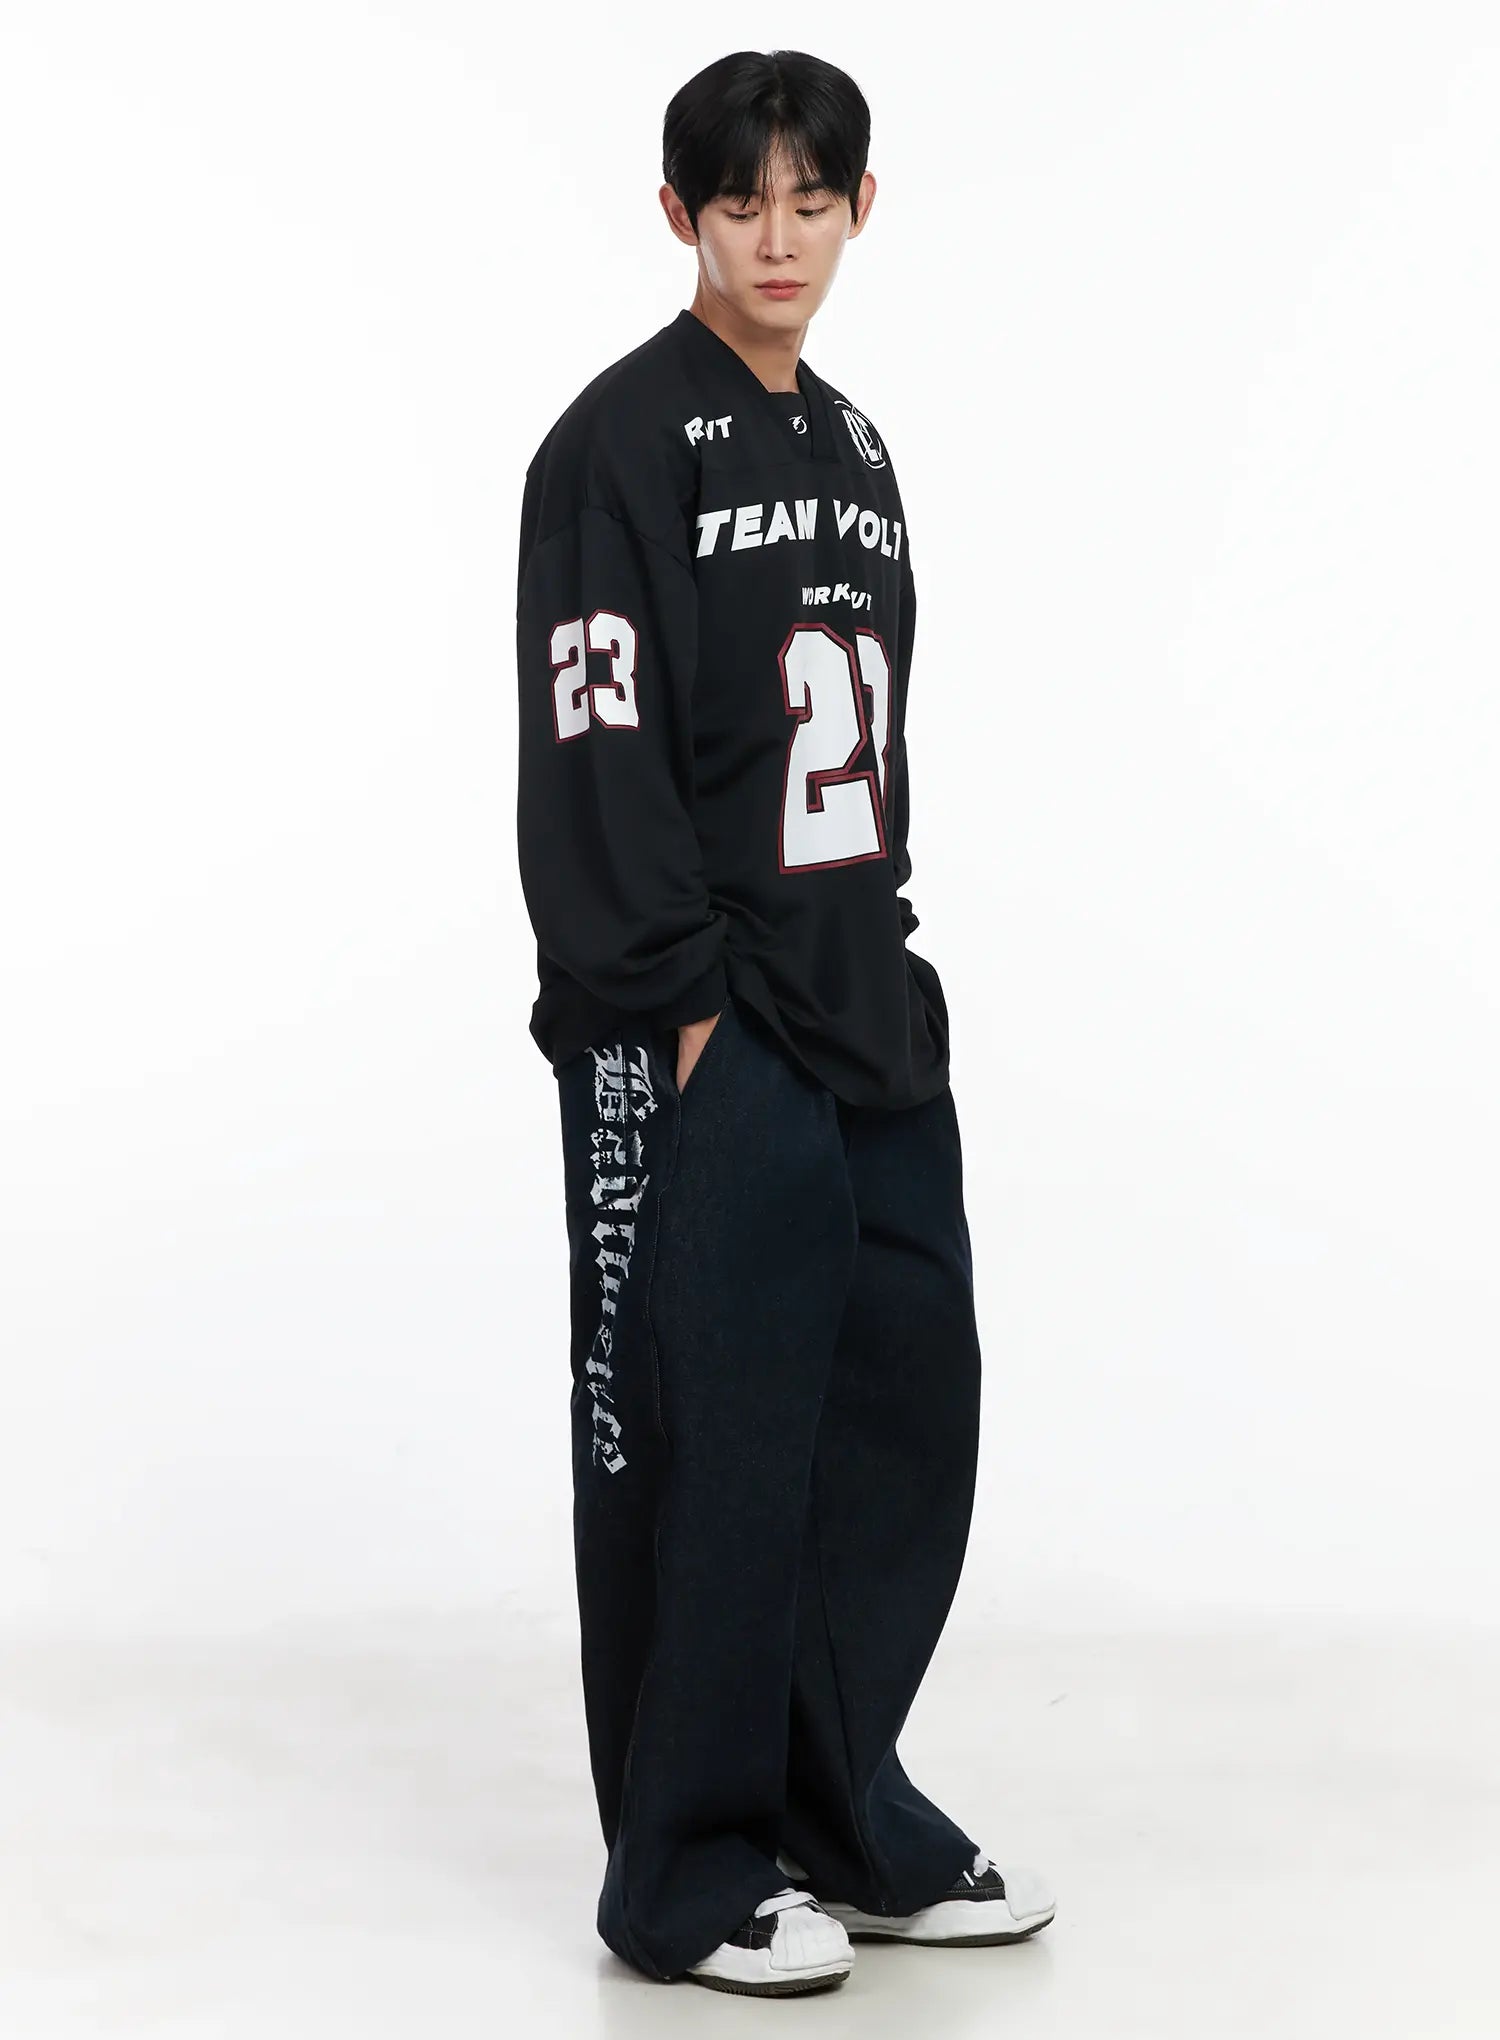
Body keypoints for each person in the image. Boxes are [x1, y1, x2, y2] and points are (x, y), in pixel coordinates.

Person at [514, 47, 1056, 1997]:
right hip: (696, 1014)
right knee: (707, 1444)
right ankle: (685, 1871)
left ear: (859, 210)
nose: (776, 239)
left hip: (860, 1003)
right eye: (738, 203)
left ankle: (845, 1816)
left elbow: (867, 738)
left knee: (900, 1406)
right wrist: (674, 1015)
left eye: (809, 202)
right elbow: (596, 744)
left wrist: (887, 965)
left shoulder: (857, 449)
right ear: (679, 216)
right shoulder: (616, 445)